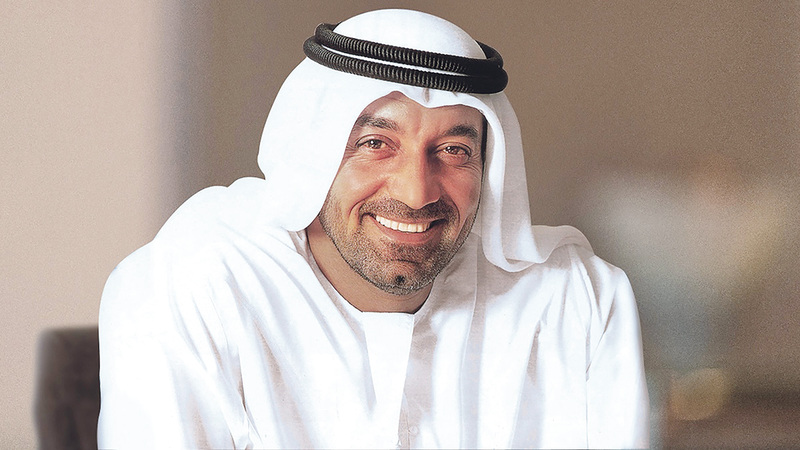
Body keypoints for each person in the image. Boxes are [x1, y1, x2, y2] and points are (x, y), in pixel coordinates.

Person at [98, 9, 649, 449]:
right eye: (375, 144)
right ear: (314, 153)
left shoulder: (574, 302)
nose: (416, 192)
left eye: (453, 150)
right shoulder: (198, 284)